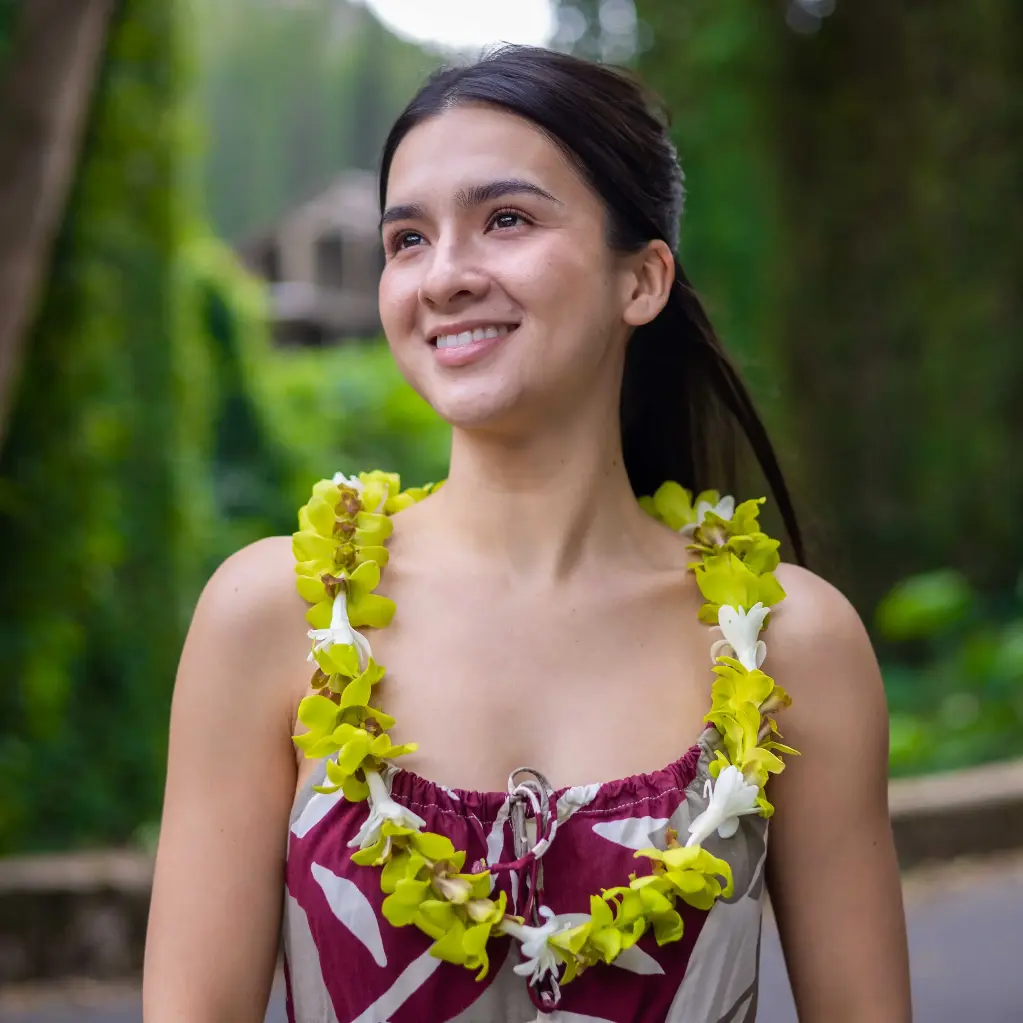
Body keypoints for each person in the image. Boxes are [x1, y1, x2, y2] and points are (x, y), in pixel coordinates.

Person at [143, 45, 911, 1023]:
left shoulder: (794, 642)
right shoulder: (275, 617)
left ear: (642, 281)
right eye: (408, 240)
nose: (446, 276)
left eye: (505, 220)